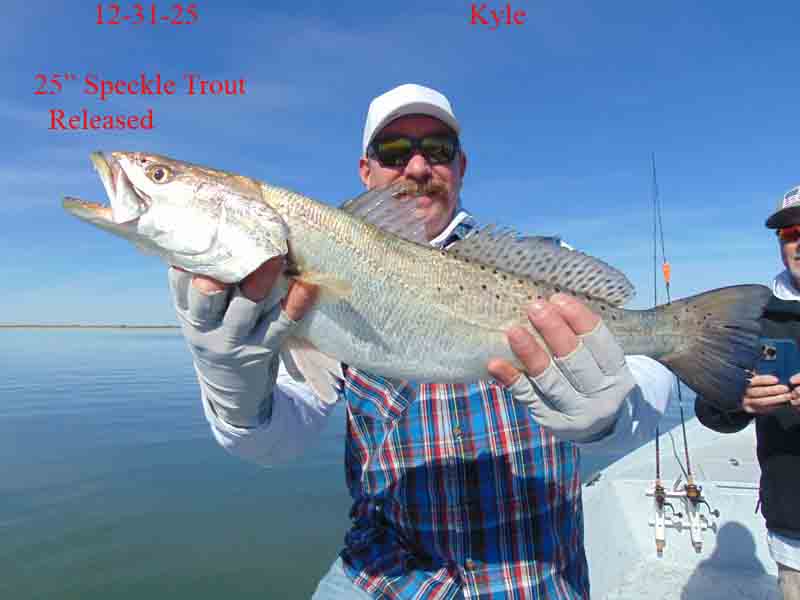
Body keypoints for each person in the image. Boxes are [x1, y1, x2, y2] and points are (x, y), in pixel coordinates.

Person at [168, 84, 677, 599]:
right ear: (365, 171)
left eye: (437, 150)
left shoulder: (545, 266)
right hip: (383, 577)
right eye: (393, 152)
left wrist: (610, 415)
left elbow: (646, 383)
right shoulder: (308, 270)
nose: (416, 167)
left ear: (461, 166)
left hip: (535, 577)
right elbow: (276, 442)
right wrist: (232, 381)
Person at [695, 185, 800, 600]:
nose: (799, 243)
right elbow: (708, 408)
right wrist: (737, 399)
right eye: (790, 233)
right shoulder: (751, 320)